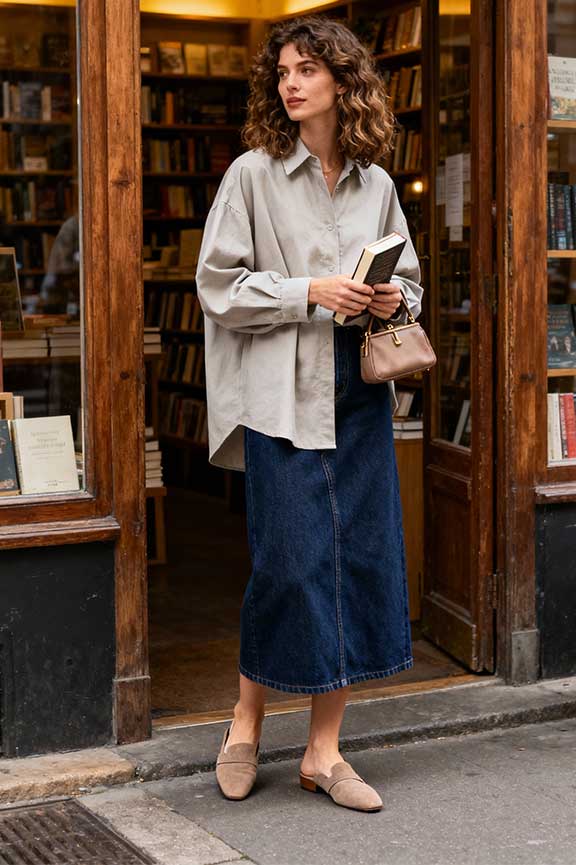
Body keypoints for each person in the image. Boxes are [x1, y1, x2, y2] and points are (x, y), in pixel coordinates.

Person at [196, 15, 423, 812]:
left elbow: (413, 280)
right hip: (279, 396)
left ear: (342, 81)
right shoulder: (253, 174)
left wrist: (394, 295)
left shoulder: (378, 183)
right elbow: (218, 284)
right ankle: (245, 721)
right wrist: (310, 291)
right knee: (287, 566)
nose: (291, 82)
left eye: (307, 70)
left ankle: (324, 752)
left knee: (355, 564)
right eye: (283, 71)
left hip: (358, 392)